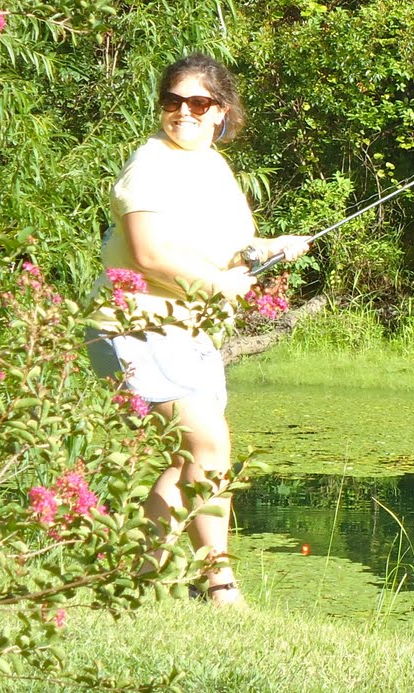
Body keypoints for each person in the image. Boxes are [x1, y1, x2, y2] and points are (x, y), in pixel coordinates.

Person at [85, 53, 308, 606]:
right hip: (136, 324)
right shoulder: (151, 164)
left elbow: (223, 246)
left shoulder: (212, 167)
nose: (183, 111)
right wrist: (215, 284)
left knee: (188, 459)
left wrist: (269, 248)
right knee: (209, 443)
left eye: (198, 102)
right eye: (172, 100)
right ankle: (220, 584)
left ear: (221, 112)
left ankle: (136, 580)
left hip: (192, 332)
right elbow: (147, 253)